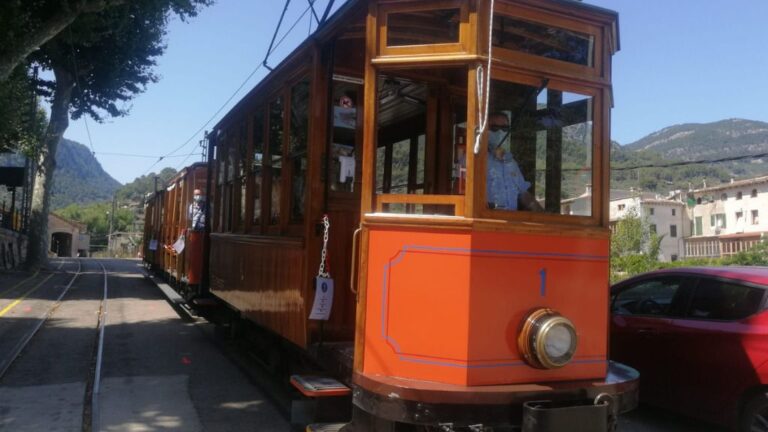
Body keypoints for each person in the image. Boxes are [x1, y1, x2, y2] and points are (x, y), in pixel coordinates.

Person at [486, 113, 543, 212]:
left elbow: (523, 193)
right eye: (495, 128)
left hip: (510, 221)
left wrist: (543, 215)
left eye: (505, 128)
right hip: (486, 221)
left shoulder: (511, 162)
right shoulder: (474, 160)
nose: (500, 132)